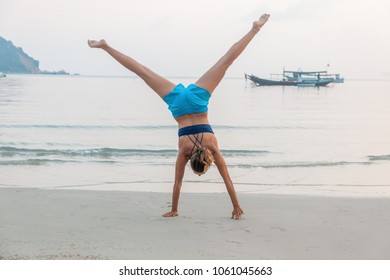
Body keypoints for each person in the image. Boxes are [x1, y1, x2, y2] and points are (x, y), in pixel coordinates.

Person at [88, 13, 270, 219]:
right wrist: (174, 209)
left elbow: (228, 180)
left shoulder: (211, 148)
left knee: (225, 61)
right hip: (177, 104)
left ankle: (254, 29)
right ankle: (105, 46)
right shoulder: (185, 151)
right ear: (192, 161)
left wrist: (236, 205)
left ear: (207, 160)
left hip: (198, 99)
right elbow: (177, 183)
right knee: (142, 72)